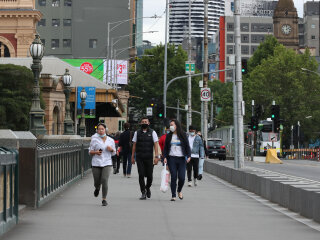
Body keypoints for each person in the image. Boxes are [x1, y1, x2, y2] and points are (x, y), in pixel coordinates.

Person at [131, 117, 160, 200]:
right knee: (141, 175)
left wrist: (156, 156)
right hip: (140, 157)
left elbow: (156, 144)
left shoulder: (152, 132)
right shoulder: (137, 133)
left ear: (148, 123)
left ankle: (147, 187)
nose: (144, 123)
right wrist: (132, 157)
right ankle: (143, 192)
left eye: (145, 121)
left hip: (149, 157)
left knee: (150, 176)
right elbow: (134, 145)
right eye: (142, 121)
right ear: (140, 123)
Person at [163, 119, 191, 201]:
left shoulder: (183, 135)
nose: (170, 126)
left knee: (182, 178)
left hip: (182, 159)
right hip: (172, 159)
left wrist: (189, 156)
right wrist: (164, 157)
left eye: (172, 125)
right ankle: (173, 195)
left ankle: (179, 190)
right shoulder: (168, 136)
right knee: (174, 177)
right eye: (170, 125)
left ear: (177, 126)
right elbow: (165, 148)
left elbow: (187, 146)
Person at [89, 123, 116, 206]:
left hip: (107, 162)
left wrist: (111, 150)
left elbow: (114, 153)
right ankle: (97, 188)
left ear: (105, 130)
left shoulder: (110, 140)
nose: (100, 131)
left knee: (104, 180)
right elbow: (90, 152)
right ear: (97, 130)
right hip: (96, 162)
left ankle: (104, 199)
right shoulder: (94, 139)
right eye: (99, 129)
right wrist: (96, 152)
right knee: (97, 181)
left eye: (102, 129)